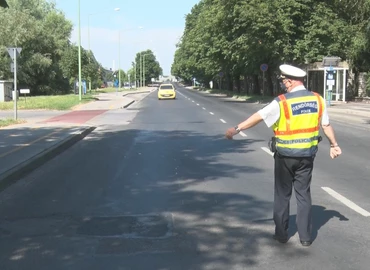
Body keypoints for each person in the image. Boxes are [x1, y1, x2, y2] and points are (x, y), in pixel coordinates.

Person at [225, 64, 342, 247]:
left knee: (282, 195)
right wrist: (334, 145)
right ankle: (305, 238)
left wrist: (236, 129)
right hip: (307, 156)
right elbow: (326, 125)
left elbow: (259, 116)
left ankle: (281, 234)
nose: (283, 84)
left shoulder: (282, 101)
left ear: (290, 81)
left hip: (285, 156)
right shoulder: (318, 99)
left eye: (284, 81)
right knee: (303, 195)